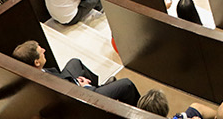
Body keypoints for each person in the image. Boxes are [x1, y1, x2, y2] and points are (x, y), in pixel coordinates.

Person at [11, 39, 139, 104]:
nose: (44, 50)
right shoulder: (45, 82)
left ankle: (98, 88)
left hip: (68, 84)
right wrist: (84, 86)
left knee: (74, 62)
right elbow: (67, 93)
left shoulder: (32, 72)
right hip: (78, 99)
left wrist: (76, 82)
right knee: (126, 84)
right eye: (40, 51)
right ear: (36, 62)